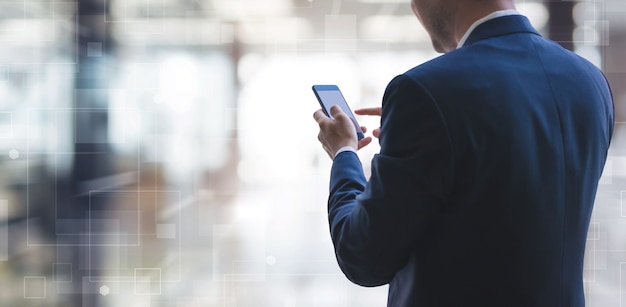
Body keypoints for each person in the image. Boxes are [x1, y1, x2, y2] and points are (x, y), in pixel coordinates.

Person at [312, 0, 614, 305]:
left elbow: (363, 256)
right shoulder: (590, 81)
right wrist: (418, 136)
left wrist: (344, 153)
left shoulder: (423, 90)